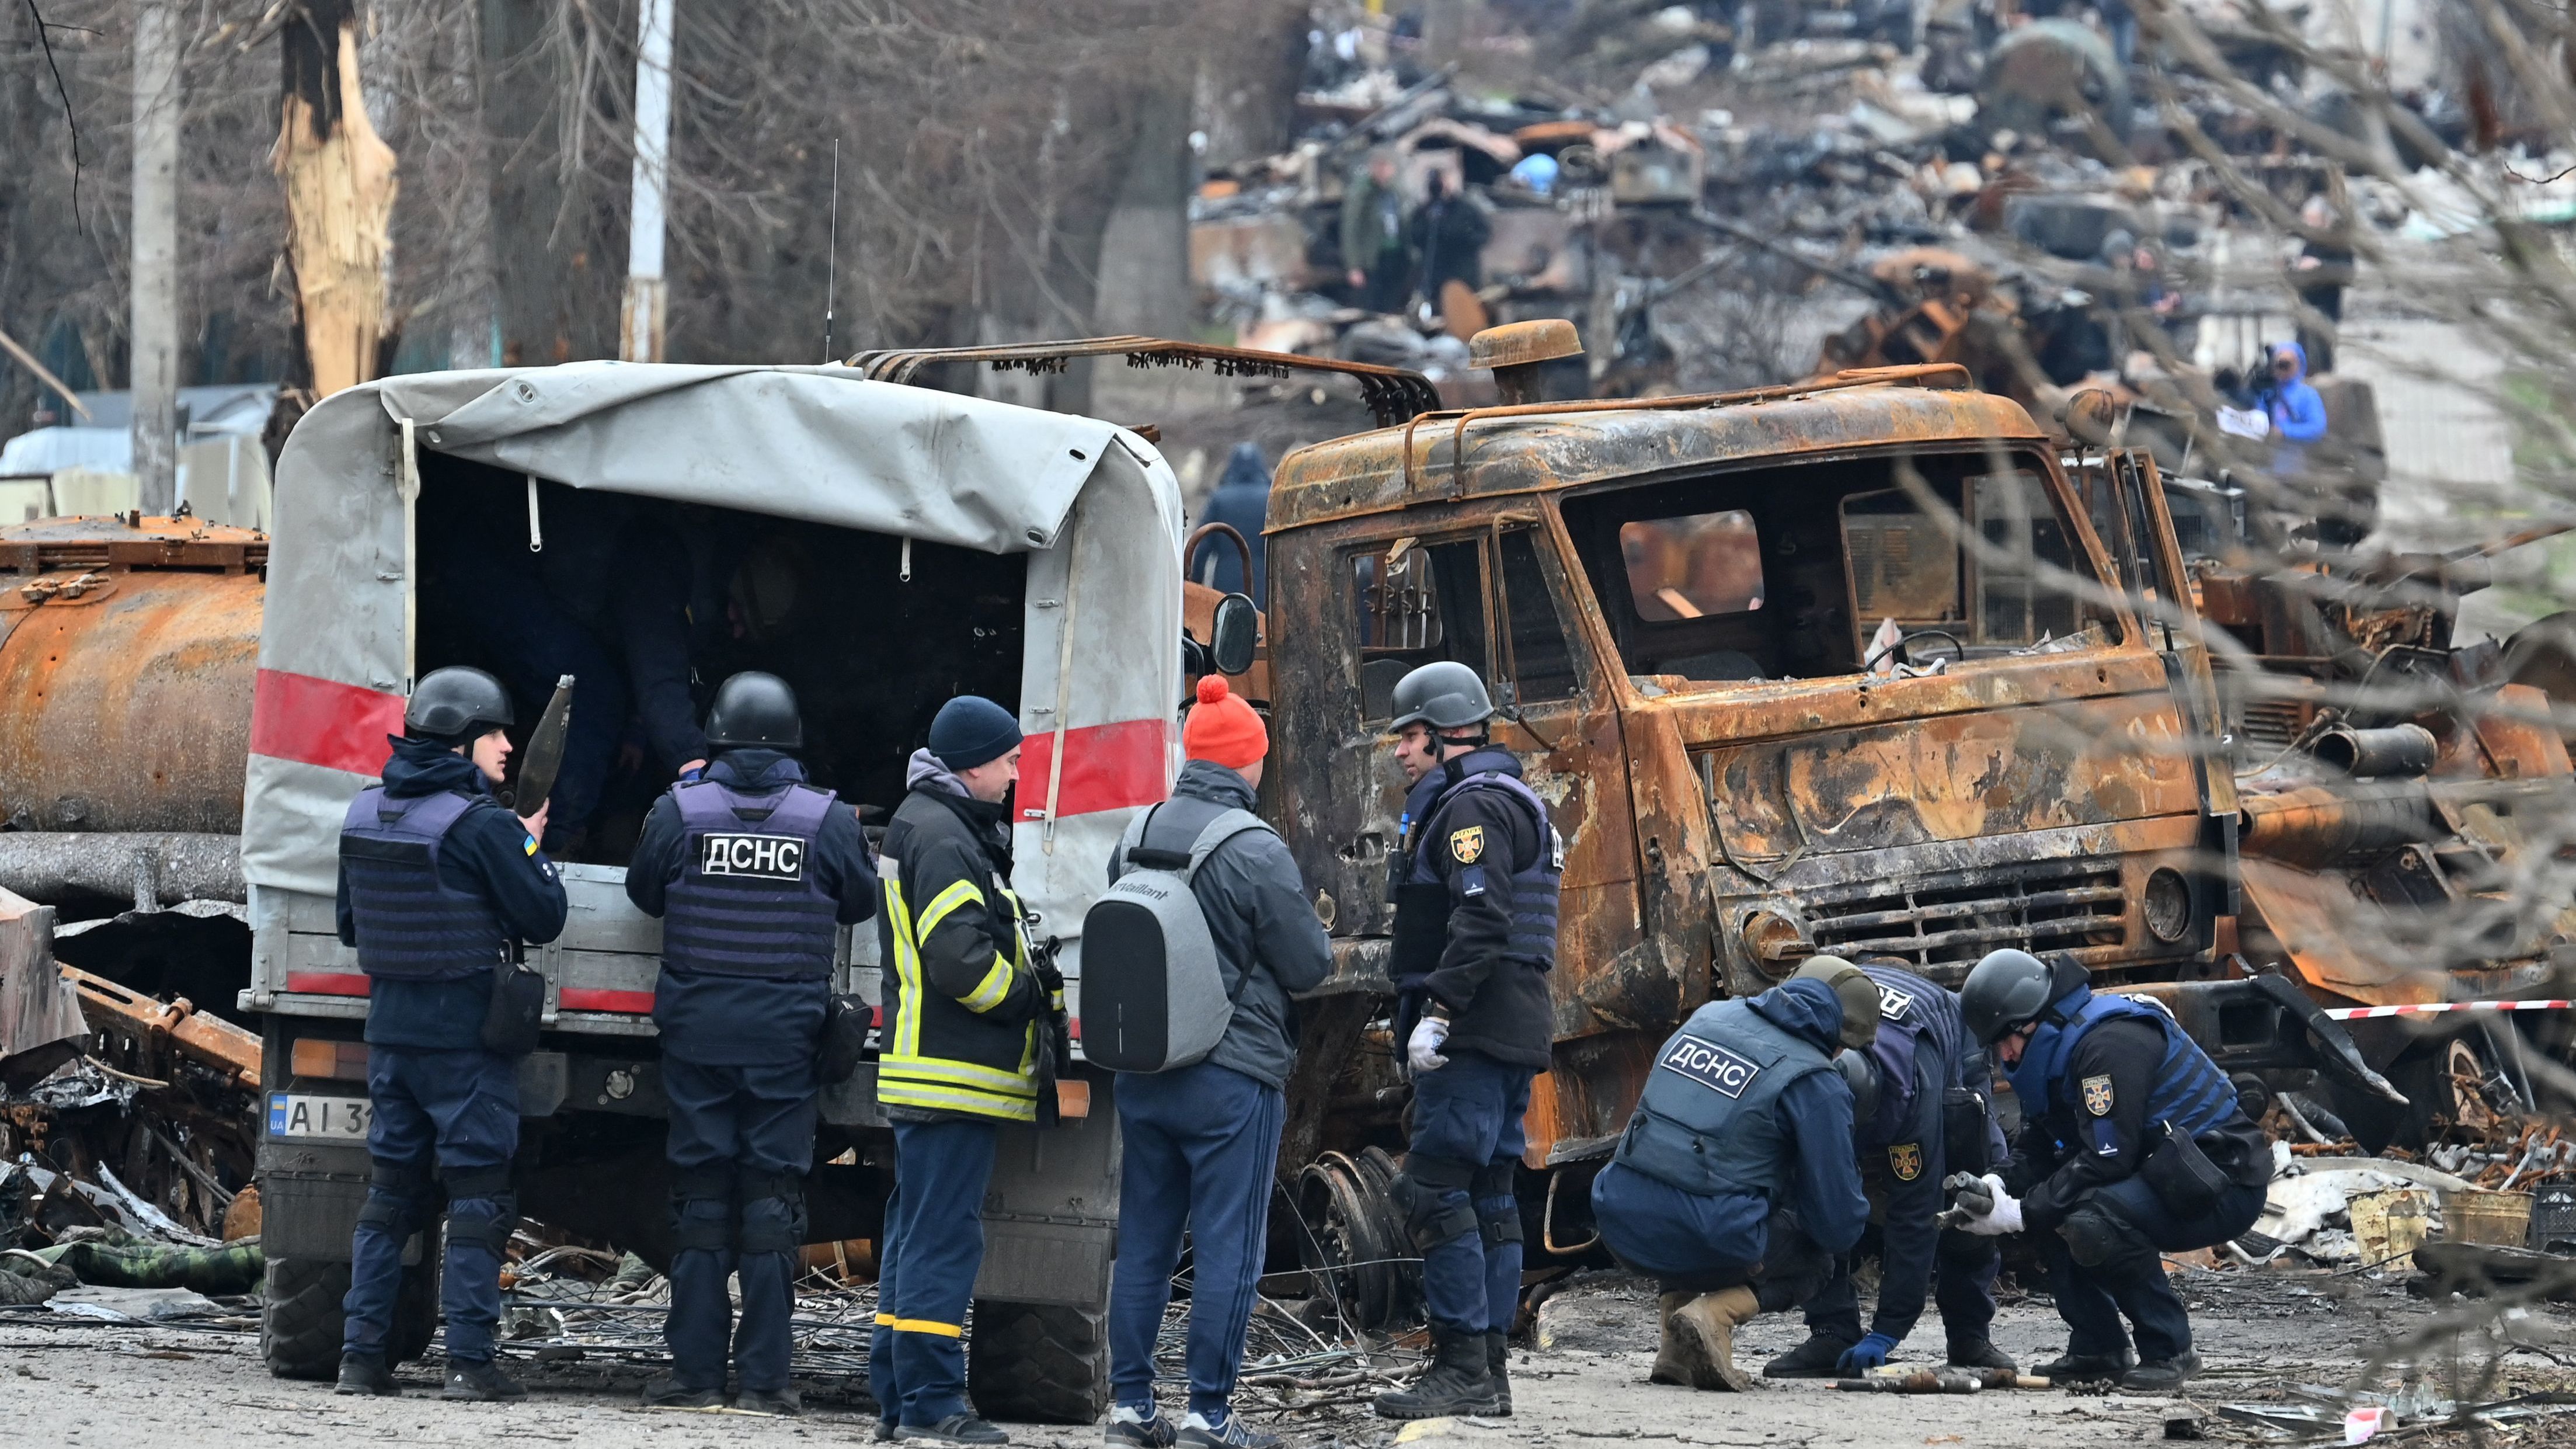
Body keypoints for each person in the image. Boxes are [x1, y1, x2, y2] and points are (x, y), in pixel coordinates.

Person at [624, 672, 878, 1415]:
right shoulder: (825, 818)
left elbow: (643, 892)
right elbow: (860, 901)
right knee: (773, 1200)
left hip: (698, 1034)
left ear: (716, 737)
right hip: (786, 1038)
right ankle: (766, 1382)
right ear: (793, 739)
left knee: (700, 1195)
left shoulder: (679, 810)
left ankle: (695, 1377)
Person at [1103, 677, 1332, 1449]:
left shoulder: (1135, 833)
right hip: (1231, 1078)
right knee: (1229, 1246)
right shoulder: (1255, 848)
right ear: (1247, 762)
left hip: (1144, 1070)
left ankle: (1130, 1410)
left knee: (1144, 1243)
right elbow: (1308, 965)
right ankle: (1208, 1415)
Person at [332, 666, 568, 1401]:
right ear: (462, 743)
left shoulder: (363, 812)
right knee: (476, 1197)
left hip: (391, 1038)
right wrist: (528, 846)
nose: (509, 747)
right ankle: (469, 1363)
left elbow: (349, 925)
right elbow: (546, 915)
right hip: (465, 1043)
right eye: (496, 733)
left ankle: (360, 1360)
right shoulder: (482, 825)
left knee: (389, 1198)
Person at [1370, 662, 1563, 1421]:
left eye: (1409, 736)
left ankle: (1460, 1368)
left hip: (1474, 1032)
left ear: (1447, 734)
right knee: (1489, 1195)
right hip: (1512, 1024)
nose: (1399, 751)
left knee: (1433, 1189)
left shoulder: (1471, 807)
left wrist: (1440, 1010)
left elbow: (1482, 918)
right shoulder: (1512, 798)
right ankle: (1488, 1372)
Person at [869, 695, 1063, 1446]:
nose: (1014, 776)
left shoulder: (929, 823)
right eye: (1009, 761)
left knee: (915, 1237)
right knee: (943, 1242)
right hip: (950, 1076)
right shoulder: (945, 836)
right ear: (973, 763)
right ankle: (930, 1405)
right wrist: (1024, 996)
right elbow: (959, 960)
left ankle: (898, 1399)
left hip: (932, 1077)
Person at [1954, 949, 2275, 1391]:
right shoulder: (2058, 1050)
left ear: (2034, 1018)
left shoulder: (2107, 1046)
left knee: (2091, 1219)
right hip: (2167, 1174)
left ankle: (2170, 1349)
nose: (2005, 1054)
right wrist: (1997, 1183)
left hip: (2223, 1180)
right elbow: (2045, 1144)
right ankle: (2098, 1348)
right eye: (1996, 1045)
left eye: (2007, 1038)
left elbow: (2108, 1158)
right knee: (2055, 1206)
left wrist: (2020, 1213)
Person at [1588, 959, 1880, 1392]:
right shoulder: (1817, 1080)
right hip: (1706, 1236)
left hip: (1619, 1222)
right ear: (1840, 1039)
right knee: (1818, 1257)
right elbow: (1838, 1225)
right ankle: (1716, 1314)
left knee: (1685, 1183)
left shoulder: (1708, 1016)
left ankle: (1674, 1345)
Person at [1763, 959, 2013, 1379]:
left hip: (1946, 1041)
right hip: (1856, 1001)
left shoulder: (1912, 1089)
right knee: (1812, 1193)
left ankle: (1969, 1335)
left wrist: (1888, 1329)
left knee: (1968, 1194)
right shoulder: (1801, 1068)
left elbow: (1916, 1213)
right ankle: (1832, 1331)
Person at [1192, 443, 1272, 601]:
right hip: (1262, 582)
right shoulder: (1270, 498)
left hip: (1225, 580)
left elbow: (1203, 546)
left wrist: (1195, 584)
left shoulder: (1218, 498)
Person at [1409, 169, 1491, 317]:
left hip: (1463, 270)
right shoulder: (1424, 211)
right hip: (1436, 271)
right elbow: (1415, 237)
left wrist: (1462, 239)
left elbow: (1483, 234)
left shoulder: (1466, 209)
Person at [1341, 150, 1412, 315]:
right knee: (1371, 304)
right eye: (1379, 166)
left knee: (1393, 301)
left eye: (1387, 166)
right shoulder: (1362, 194)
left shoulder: (1395, 192)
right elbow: (1351, 231)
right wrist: (1354, 266)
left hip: (1395, 255)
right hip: (1372, 258)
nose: (1384, 171)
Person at [2258, 340, 2328, 477]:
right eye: (2279, 364)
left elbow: (2318, 428)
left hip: (2296, 466)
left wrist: (2285, 431)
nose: (2282, 369)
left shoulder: (2308, 395)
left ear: (2299, 365)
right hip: (2267, 465)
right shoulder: (2266, 394)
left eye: (2287, 364)